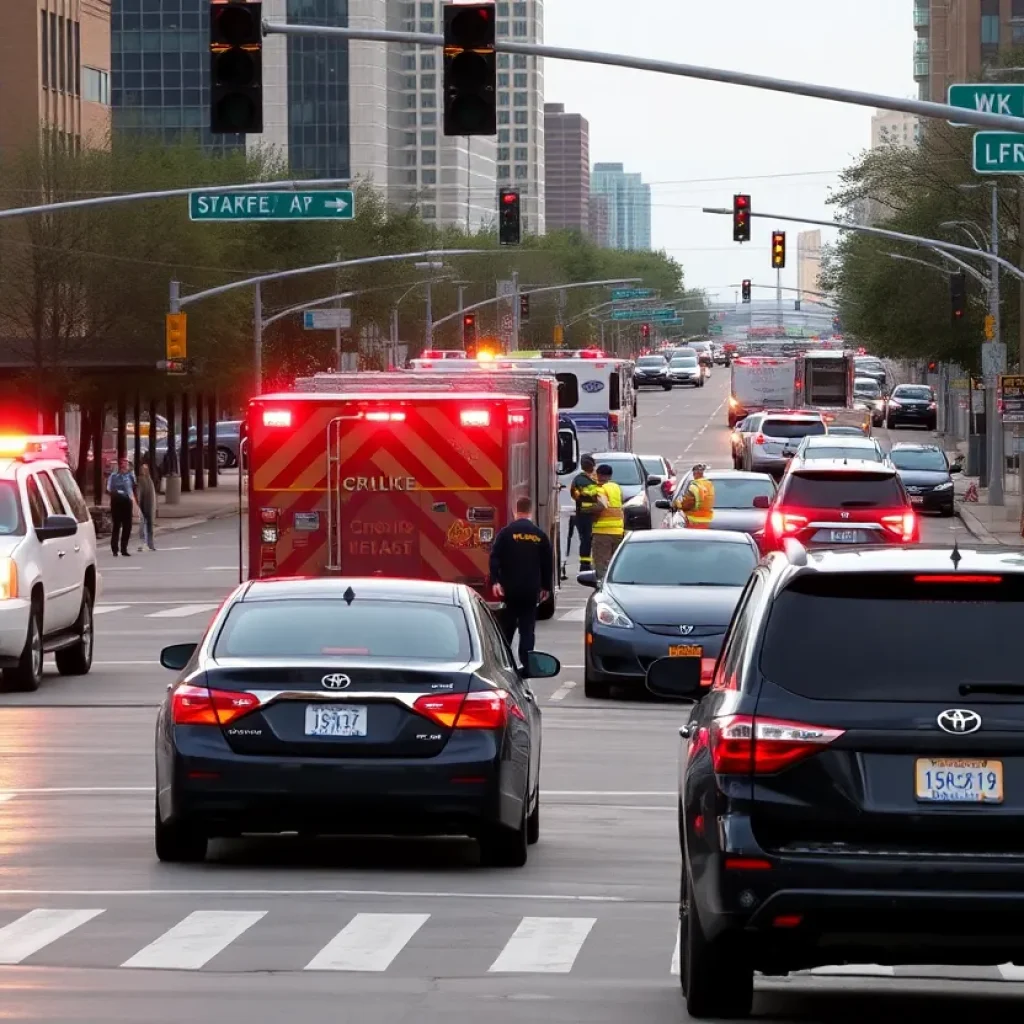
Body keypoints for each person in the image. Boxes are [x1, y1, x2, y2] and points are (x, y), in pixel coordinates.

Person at [489, 496, 553, 666]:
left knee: (507, 627)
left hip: (510, 589)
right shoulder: (540, 535)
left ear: (515, 511)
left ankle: (504, 662)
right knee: (527, 629)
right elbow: (547, 563)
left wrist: (495, 581)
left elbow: (494, 558)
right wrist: (546, 587)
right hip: (531, 590)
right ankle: (527, 662)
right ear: (531, 511)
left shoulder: (506, 533)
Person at [591, 463, 625, 582]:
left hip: (602, 532)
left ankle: (602, 586)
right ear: (610, 476)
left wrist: (590, 513)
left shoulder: (600, 489)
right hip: (618, 531)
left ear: (598, 475)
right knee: (616, 563)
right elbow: (621, 501)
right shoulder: (616, 487)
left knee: (601, 563)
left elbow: (601, 505)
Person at [568, 455, 602, 571]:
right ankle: (586, 565)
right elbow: (595, 495)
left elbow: (574, 495)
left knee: (584, 539)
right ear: (592, 466)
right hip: (589, 515)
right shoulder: (593, 480)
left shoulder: (577, 479)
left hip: (581, 514)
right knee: (588, 539)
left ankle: (585, 565)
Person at [107, 457, 137, 557]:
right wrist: (117, 493)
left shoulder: (130, 476)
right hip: (116, 502)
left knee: (127, 526)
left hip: (127, 502)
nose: (125, 466)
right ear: (120, 466)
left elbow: (134, 487)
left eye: (126, 464)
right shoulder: (113, 476)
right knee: (116, 526)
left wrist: (134, 500)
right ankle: (115, 549)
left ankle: (124, 548)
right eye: (123, 464)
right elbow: (108, 489)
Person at [673, 463, 716, 528]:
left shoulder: (694, 487)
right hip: (707, 521)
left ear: (695, 474)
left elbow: (687, 504)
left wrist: (677, 504)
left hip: (695, 523)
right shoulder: (709, 485)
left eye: (694, 473)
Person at [137, 463, 157, 552]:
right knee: (143, 525)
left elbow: (153, 495)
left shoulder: (149, 480)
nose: (144, 471)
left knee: (149, 525)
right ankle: (144, 544)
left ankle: (150, 543)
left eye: (145, 469)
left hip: (150, 505)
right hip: (143, 505)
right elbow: (139, 494)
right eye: (142, 469)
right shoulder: (140, 480)